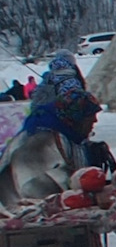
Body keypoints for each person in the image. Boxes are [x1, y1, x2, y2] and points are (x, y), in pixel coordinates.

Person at [0, 53, 102, 207]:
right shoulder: (39, 142)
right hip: (26, 215)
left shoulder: (64, 133)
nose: (95, 121)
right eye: (90, 117)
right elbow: (35, 188)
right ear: (76, 118)